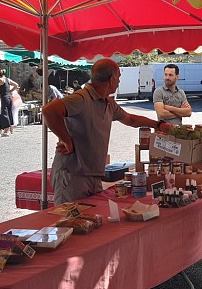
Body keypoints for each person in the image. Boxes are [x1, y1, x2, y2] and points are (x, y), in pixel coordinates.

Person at [42, 59, 174, 203]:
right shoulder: (81, 98)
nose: (119, 82)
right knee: (70, 221)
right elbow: (49, 111)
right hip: (73, 176)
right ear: (111, 79)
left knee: (93, 221)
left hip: (93, 175)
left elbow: (130, 119)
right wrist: (66, 140)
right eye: (118, 77)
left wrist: (159, 125)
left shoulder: (108, 102)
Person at [0, 68, 19, 137]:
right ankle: (8, 129)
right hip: (9, 97)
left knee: (4, 113)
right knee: (9, 112)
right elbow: (16, 85)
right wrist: (10, 91)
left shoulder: (0, 80)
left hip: (3, 97)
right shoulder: (7, 79)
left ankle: (6, 130)